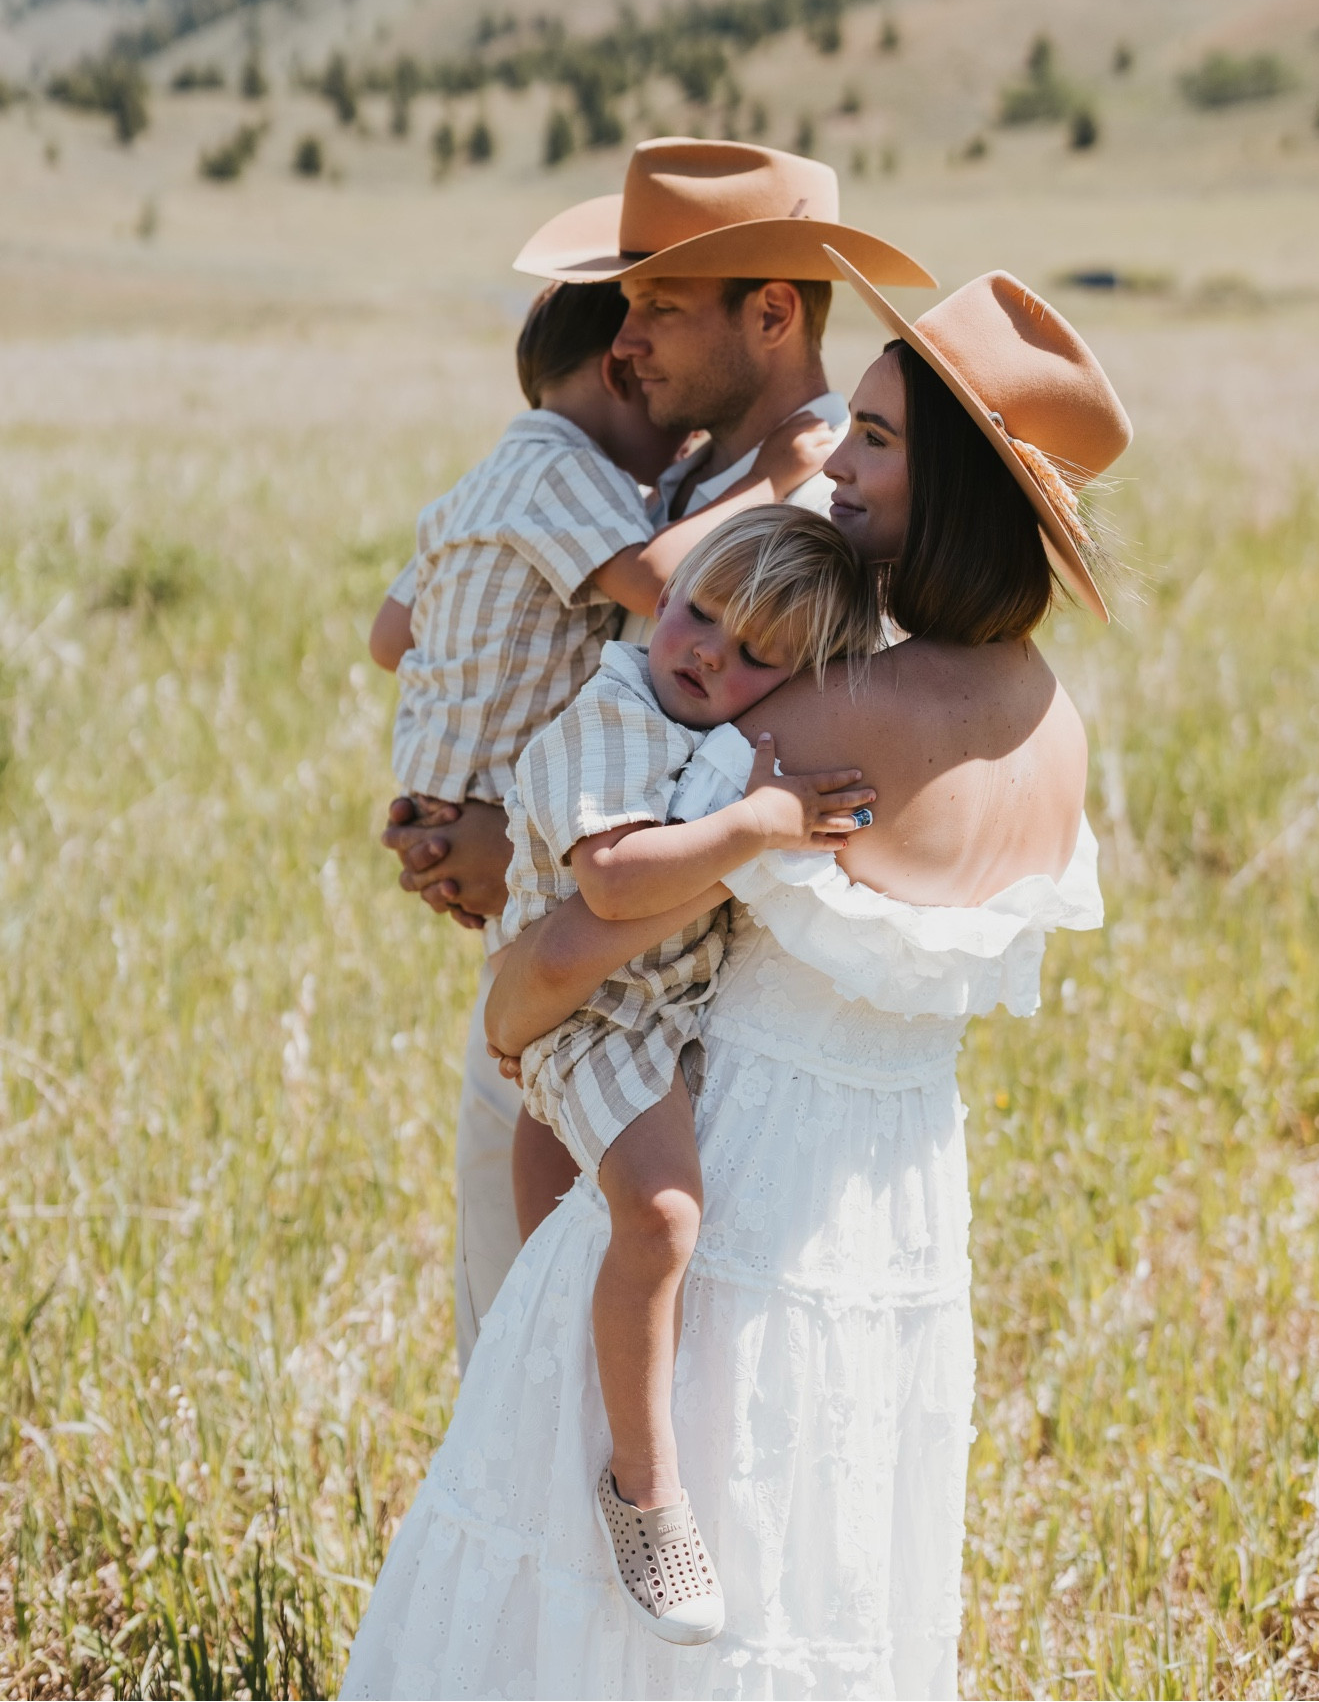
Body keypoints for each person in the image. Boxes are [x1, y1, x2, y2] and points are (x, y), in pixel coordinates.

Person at [340, 263, 1132, 1700]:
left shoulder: (825, 712)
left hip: (733, 1178)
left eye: (878, 442)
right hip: (892, 1215)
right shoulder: (1051, 729)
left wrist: (513, 1017)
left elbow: (593, 921)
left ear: (951, 492)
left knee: (606, 1580)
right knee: (818, 1548)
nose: (837, 455)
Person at [372, 140, 935, 1363]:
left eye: (658, 309)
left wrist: (531, 860)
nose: (622, 342)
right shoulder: (690, 471)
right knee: (512, 1367)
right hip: (573, 991)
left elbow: (758, 781)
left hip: (638, 1021)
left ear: (773, 312)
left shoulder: (813, 516)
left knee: (557, 1378)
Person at [502, 509, 880, 1643]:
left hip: (670, 1010)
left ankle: (572, 1401)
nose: (707, 650)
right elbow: (613, 882)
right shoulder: (614, 710)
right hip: (598, 1015)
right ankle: (646, 1489)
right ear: (662, 600)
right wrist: (764, 820)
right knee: (663, 1215)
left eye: (755, 653)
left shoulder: (708, 723)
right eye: (698, 612)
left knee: (594, 1244)